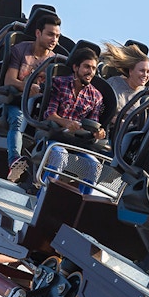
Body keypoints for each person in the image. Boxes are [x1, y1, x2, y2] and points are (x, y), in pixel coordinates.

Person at [40, 47, 107, 193]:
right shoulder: (59, 83)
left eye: (94, 68)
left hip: (77, 143)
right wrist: (66, 123)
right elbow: (50, 114)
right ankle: (43, 199)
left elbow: (92, 124)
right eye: (87, 67)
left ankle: (80, 208)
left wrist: (96, 134)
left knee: (95, 166)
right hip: (55, 136)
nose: (90, 72)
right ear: (76, 67)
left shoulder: (96, 96)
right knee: (59, 156)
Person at [5, 13, 61, 182]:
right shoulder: (21, 50)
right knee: (18, 118)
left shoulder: (55, 61)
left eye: (57, 36)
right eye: (50, 34)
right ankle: (14, 160)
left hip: (39, 109)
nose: (54, 39)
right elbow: (9, 80)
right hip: (16, 102)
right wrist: (28, 87)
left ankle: (41, 178)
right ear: (38, 33)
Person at [100, 42, 149, 115]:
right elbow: (100, 109)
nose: (145, 75)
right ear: (131, 71)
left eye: (148, 72)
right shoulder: (114, 83)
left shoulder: (146, 95)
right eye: (142, 71)